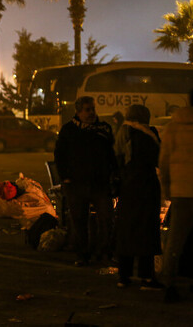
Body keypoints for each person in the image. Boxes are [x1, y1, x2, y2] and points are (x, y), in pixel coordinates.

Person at [54, 96, 116, 267]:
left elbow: (111, 153)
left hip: (99, 183)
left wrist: (113, 175)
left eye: (93, 109)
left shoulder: (103, 129)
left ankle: (104, 252)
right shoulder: (69, 130)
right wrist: (65, 177)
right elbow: (60, 155)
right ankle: (83, 255)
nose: (91, 113)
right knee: (79, 221)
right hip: (76, 184)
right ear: (78, 111)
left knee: (106, 218)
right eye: (87, 110)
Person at [159, 87, 193, 303]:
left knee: (175, 241)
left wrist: (167, 188)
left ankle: (169, 284)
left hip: (181, 192)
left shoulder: (173, 126)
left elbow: (164, 161)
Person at [113, 105, 163, 289]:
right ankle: (147, 277)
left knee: (127, 231)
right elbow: (158, 158)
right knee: (147, 231)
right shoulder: (147, 134)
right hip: (145, 187)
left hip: (127, 188)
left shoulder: (122, 132)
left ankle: (123, 276)